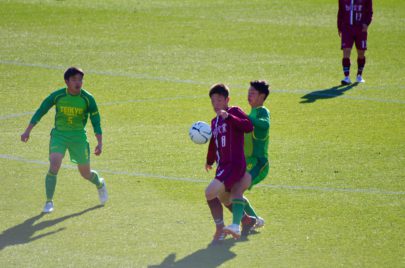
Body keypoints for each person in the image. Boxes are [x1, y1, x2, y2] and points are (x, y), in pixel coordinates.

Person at [20, 67, 108, 213]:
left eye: (80, 79)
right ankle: (49, 202)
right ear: (67, 81)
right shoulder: (57, 96)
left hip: (79, 138)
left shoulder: (88, 98)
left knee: (85, 173)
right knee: (54, 165)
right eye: (74, 80)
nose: (78, 83)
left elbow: (96, 121)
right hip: (59, 136)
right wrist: (27, 131)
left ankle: (99, 183)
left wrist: (99, 142)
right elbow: (41, 111)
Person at [219, 80, 270, 237]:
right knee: (227, 191)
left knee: (237, 189)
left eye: (252, 93)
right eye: (248, 92)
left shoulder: (261, 112)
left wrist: (246, 120)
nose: (249, 95)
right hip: (246, 163)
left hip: (258, 163)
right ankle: (255, 219)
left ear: (262, 96)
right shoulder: (250, 114)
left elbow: (264, 124)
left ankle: (236, 225)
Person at [205, 83, 253, 244]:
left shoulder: (233, 111)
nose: (216, 104)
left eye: (219, 100)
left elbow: (248, 126)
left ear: (227, 99)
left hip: (234, 164)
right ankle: (247, 220)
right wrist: (209, 160)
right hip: (223, 166)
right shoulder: (214, 122)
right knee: (224, 197)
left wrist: (229, 117)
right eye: (213, 101)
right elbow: (214, 142)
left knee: (210, 192)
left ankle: (220, 228)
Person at [338, 0, 373, 85]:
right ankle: (346, 77)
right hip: (347, 29)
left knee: (361, 53)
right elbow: (340, 12)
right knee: (346, 51)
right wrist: (339, 27)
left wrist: (366, 24)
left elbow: (370, 12)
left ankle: (359, 75)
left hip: (360, 29)